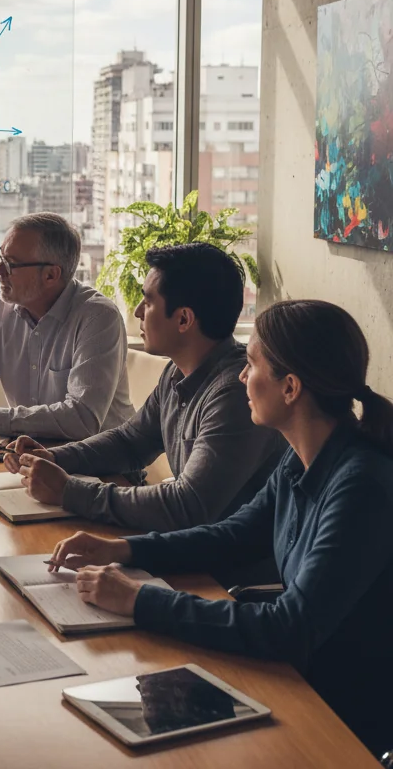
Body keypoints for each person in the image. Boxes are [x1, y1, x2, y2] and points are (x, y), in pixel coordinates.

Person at [48, 299, 393, 758]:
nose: (240, 377)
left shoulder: (360, 487)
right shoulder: (304, 455)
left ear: (290, 388)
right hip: (293, 676)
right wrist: (123, 551)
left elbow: (289, 628)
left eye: (251, 365)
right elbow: (232, 535)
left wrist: (139, 598)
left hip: (337, 713)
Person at [5, 244, 286, 532]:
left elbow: (187, 506)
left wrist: (69, 491)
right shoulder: (178, 372)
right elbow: (131, 441)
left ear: (183, 319)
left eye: (148, 302)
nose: (138, 311)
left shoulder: (235, 394)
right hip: (188, 547)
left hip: (225, 570)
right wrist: (55, 457)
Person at [0, 213, 133, 440]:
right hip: (29, 459)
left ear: (51, 275)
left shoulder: (98, 318)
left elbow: (81, 419)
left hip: (104, 467)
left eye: (10, 264)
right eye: (0, 257)